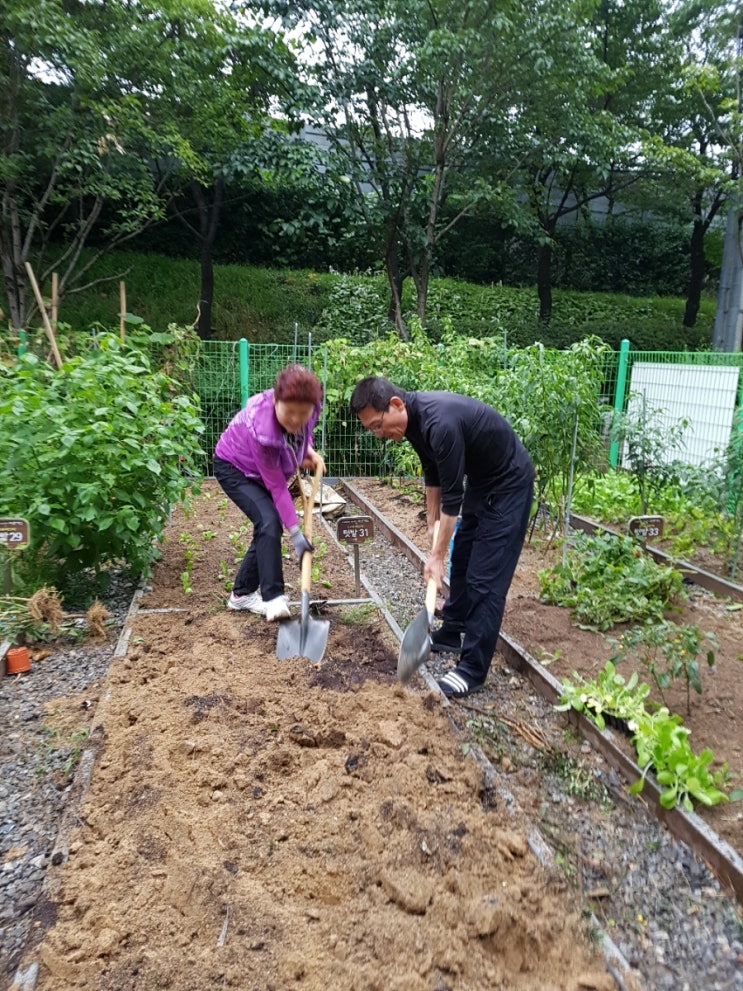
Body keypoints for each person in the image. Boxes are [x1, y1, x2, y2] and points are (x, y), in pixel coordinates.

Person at [350, 376, 534, 698]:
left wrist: (436, 556)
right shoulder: (414, 424)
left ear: (396, 405)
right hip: (484, 482)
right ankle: (451, 633)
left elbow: (453, 496)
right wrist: (432, 524)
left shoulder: (440, 422)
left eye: (378, 426)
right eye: (371, 430)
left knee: (484, 579)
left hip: (509, 484)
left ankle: (473, 669)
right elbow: (433, 475)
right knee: (462, 558)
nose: (378, 434)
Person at [213, 364, 325, 622]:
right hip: (234, 467)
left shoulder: (311, 407)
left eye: (303, 413)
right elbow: (276, 487)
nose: (296, 420)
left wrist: (306, 449)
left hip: (259, 470)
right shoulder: (262, 430)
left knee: (268, 526)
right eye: (290, 413)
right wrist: (296, 535)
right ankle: (273, 597)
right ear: (276, 401)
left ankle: (241, 595)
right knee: (269, 521)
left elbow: (304, 433)